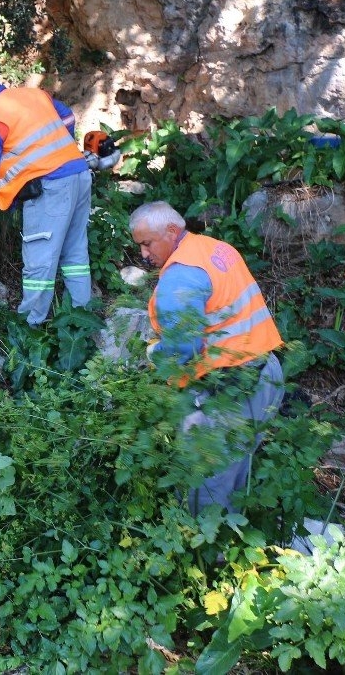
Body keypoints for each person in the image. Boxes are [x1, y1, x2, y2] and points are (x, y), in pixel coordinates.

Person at [129, 201, 286, 515]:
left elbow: (182, 349)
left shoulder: (180, 277)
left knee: (203, 489)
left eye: (147, 244)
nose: (143, 254)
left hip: (227, 393)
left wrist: (152, 353)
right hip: (265, 375)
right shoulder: (215, 249)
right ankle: (232, 538)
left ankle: (201, 544)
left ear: (171, 231)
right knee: (235, 478)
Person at [0, 63, 92, 324]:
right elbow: (67, 116)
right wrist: (60, 153)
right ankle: (81, 321)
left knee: (39, 258)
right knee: (75, 251)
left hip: (50, 187)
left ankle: (30, 327)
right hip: (79, 174)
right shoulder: (33, 94)